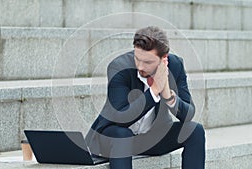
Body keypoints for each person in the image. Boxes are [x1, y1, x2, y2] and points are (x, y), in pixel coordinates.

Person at [85, 26, 206, 169]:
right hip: (114, 137)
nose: (140, 66)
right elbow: (121, 117)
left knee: (195, 130)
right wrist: (154, 91)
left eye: (148, 62)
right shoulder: (119, 67)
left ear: (164, 59)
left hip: (151, 139)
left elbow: (188, 114)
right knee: (122, 135)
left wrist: (167, 94)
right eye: (137, 59)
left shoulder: (175, 65)